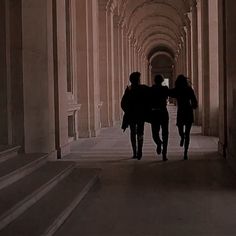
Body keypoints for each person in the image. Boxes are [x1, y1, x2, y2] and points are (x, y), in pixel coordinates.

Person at [121, 72, 149, 160]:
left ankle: (135, 152)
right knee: (140, 132)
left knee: (133, 132)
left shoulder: (129, 89)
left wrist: (127, 111)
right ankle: (139, 151)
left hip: (132, 114)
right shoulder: (143, 88)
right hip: (141, 114)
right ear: (137, 80)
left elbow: (123, 103)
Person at [170, 74, 198, 160]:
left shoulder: (177, 90)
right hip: (188, 111)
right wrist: (194, 106)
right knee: (187, 134)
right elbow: (194, 101)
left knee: (180, 129)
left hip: (181, 111)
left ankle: (182, 137)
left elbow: (169, 93)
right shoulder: (189, 89)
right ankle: (185, 152)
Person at [150, 74, 169, 161]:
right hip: (163, 112)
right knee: (165, 134)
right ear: (162, 80)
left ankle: (160, 146)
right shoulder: (165, 89)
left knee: (155, 133)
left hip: (155, 113)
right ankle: (162, 150)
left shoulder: (152, 89)